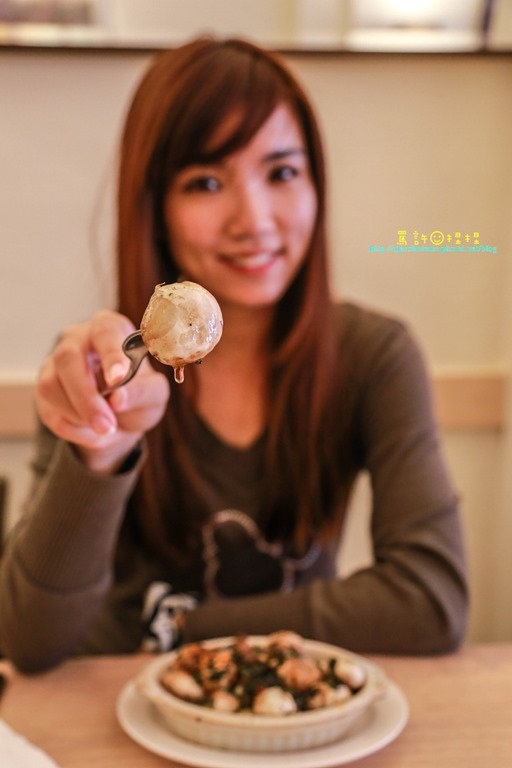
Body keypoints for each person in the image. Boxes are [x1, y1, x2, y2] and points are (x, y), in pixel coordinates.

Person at [0, 37, 468, 673]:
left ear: (316, 185)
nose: (254, 220)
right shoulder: (99, 367)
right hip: (115, 707)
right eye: (207, 182)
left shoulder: (373, 357)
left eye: (282, 173)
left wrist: (182, 627)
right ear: (156, 206)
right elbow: (29, 643)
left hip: (288, 703)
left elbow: (431, 598)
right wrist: (103, 447)